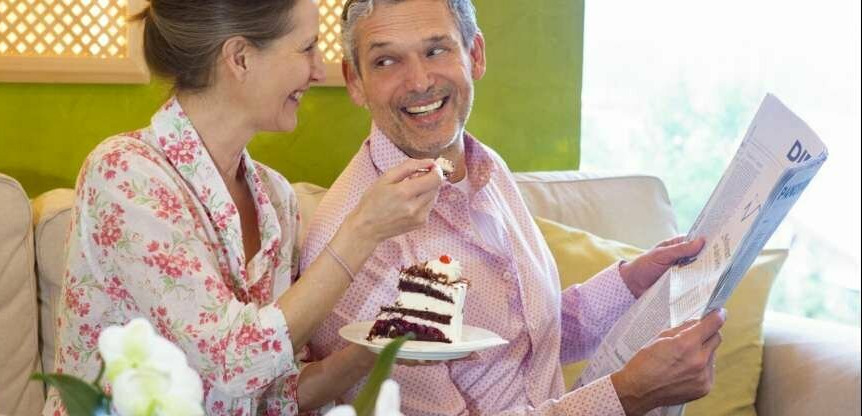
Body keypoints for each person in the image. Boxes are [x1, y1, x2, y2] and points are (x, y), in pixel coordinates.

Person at [300, 1, 725, 415]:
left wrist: (632, 281)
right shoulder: (349, 241)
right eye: (386, 61)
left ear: (475, 55)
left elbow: (526, 339)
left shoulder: (483, 165)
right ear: (354, 80)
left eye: (436, 50)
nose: (418, 81)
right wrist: (629, 395)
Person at [43, 0, 446, 414]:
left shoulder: (275, 198)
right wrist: (363, 229)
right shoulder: (125, 174)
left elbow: (272, 395)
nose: (318, 70)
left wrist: (376, 347)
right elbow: (233, 363)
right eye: (307, 48)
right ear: (239, 58)